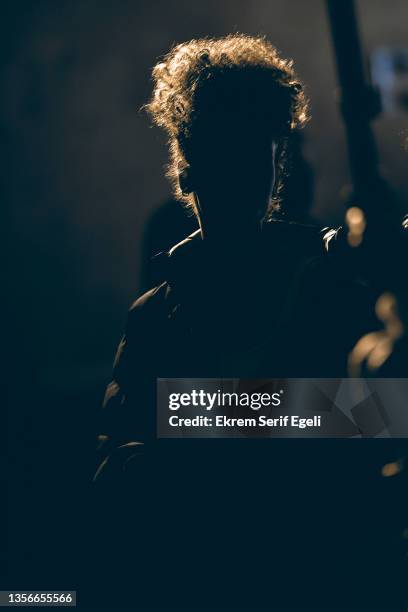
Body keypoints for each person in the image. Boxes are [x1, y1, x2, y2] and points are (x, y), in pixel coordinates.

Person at [95, 34, 385, 461]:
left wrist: (187, 419)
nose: (239, 178)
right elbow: (117, 455)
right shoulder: (154, 318)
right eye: (222, 154)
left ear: (274, 172)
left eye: (255, 157)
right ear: (186, 171)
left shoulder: (329, 286)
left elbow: (381, 421)